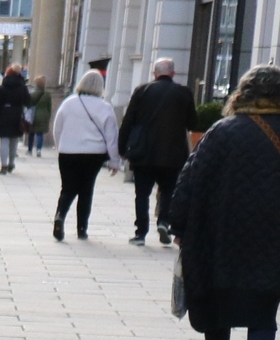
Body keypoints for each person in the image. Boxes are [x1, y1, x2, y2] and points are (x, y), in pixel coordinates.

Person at [170, 66, 280, 340]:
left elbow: (191, 178)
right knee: (264, 303)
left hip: (220, 235)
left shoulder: (222, 131)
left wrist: (179, 223)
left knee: (215, 301)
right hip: (272, 235)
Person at [120, 57, 196, 245]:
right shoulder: (184, 93)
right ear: (173, 73)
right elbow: (193, 123)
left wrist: (121, 148)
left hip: (143, 152)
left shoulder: (142, 91)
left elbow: (128, 121)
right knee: (169, 190)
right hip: (173, 154)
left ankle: (141, 233)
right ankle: (164, 222)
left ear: (154, 73)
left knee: (142, 194)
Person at [49, 69, 119, 241]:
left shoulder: (68, 103)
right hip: (93, 154)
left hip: (68, 152)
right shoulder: (105, 107)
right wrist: (114, 161)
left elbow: (57, 128)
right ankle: (82, 228)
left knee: (67, 188)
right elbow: (111, 137)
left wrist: (61, 147)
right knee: (86, 190)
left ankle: (60, 216)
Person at [0, 65, 31, 173]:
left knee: (4, 140)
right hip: (17, 114)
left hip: (3, 114)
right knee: (14, 140)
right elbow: (28, 101)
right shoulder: (22, 87)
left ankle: (3, 165)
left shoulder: (2, 88)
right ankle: (11, 163)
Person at [28, 75, 54, 155]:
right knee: (40, 134)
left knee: (31, 133)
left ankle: (30, 150)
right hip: (44, 115)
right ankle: (39, 150)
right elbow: (49, 106)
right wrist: (48, 115)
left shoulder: (32, 92)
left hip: (33, 114)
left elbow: (29, 104)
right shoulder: (47, 94)